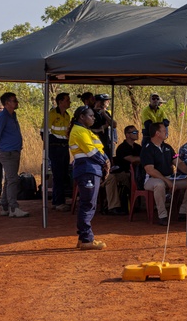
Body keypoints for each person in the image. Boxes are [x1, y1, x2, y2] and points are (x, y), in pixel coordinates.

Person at [68, 106, 109, 249]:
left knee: (88, 203)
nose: (94, 118)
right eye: (91, 116)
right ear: (81, 117)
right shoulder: (79, 131)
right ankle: (86, 239)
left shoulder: (85, 130)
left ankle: (83, 238)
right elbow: (92, 152)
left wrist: (106, 160)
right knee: (87, 204)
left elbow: (98, 149)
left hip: (91, 169)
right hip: (87, 169)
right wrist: (105, 162)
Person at [141, 122, 187, 226]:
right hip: (151, 180)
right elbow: (150, 170)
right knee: (159, 184)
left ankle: (183, 211)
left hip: (170, 178)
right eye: (164, 130)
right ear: (157, 133)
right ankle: (162, 216)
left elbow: (178, 162)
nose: (166, 132)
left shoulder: (168, 147)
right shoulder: (147, 149)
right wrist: (167, 181)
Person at [0, 91, 27, 217]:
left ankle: (5, 206)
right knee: (13, 179)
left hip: (13, 151)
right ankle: (13, 208)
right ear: (7, 103)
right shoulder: (2, 116)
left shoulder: (13, 115)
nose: (16, 102)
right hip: (7, 152)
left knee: (9, 179)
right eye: (14, 100)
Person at [104, 124, 142, 215]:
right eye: (134, 132)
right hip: (123, 173)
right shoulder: (122, 148)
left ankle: (139, 204)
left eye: (137, 132)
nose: (137, 134)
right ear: (127, 135)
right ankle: (113, 207)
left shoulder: (138, 148)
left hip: (138, 174)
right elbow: (132, 160)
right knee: (111, 178)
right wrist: (143, 158)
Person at [45, 92, 73, 212]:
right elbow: (44, 132)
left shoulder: (67, 115)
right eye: (67, 100)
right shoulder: (51, 114)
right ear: (60, 102)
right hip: (55, 147)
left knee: (63, 173)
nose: (69, 102)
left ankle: (58, 200)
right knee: (58, 174)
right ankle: (59, 202)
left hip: (64, 147)